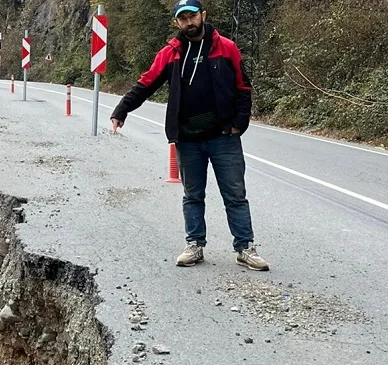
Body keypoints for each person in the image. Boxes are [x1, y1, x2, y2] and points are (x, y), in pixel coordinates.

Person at [109, 0, 269, 271]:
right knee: (193, 195)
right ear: (177, 23)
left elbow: (243, 87)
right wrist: (120, 112)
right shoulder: (171, 53)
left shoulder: (226, 48)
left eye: (192, 16)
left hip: (223, 137)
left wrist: (239, 124)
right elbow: (146, 83)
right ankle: (194, 245)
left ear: (202, 16)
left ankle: (245, 248)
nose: (189, 22)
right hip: (188, 139)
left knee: (235, 194)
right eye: (183, 19)